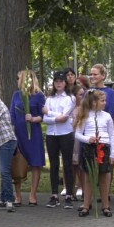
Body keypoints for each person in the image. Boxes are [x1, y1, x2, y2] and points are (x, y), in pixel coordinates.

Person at [74, 89, 114, 217]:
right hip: (90, 148)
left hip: (104, 148)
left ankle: (105, 206)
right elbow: (77, 134)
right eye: (102, 101)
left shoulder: (107, 116)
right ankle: (86, 205)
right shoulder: (85, 115)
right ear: (94, 102)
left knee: (103, 178)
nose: (105, 103)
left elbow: (112, 135)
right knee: (88, 178)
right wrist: (88, 139)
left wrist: (113, 154)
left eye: (105, 100)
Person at [10, 69, 45, 206]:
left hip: (33, 133)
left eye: (19, 78)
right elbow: (12, 114)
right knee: (17, 162)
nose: (17, 80)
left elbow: (44, 115)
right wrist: (12, 133)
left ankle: (33, 195)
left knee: (35, 163)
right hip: (19, 133)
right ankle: (18, 196)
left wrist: (34, 118)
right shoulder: (16, 95)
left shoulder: (39, 95)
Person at [42, 70, 76, 208]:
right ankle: (54, 195)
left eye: (61, 81)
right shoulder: (49, 99)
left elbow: (65, 117)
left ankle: (69, 195)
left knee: (67, 164)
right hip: (52, 134)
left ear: (65, 83)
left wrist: (49, 113)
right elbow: (45, 119)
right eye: (56, 81)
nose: (58, 84)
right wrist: (55, 117)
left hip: (66, 133)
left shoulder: (70, 98)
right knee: (54, 164)